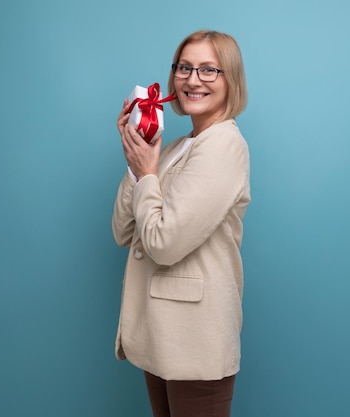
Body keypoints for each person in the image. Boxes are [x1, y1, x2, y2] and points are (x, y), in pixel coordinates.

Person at [112, 30, 250, 417]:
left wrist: (147, 173)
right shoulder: (174, 148)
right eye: (184, 67)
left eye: (209, 70)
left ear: (231, 79)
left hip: (195, 339)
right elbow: (124, 231)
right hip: (164, 336)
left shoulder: (224, 144)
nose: (192, 79)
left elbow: (163, 243)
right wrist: (135, 157)